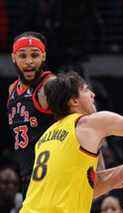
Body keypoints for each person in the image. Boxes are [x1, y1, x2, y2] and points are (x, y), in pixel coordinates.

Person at [20, 71, 123, 212]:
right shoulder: (89, 123)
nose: (93, 94)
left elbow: (94, 187)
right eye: (86, 90)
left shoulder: (46, 137)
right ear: (74, 100)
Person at [6, 31, 55, 198]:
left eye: (35, 55)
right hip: (28, 176)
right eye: (22, 56)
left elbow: (81, 119)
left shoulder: (50, 85)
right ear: (13, 57)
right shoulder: (12, 89)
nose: (29, 62)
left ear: (43, 56)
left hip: (52, 175)